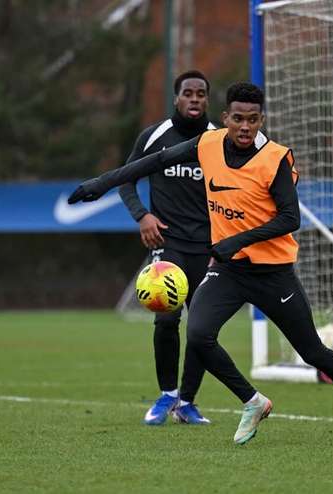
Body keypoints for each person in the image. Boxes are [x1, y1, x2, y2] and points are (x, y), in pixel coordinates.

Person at [68, 81, 333, 443]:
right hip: (228, 271)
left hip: (273, 274)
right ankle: (253, 402)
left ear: (261, 120)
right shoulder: (207, 144)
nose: (244, 127)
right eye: (238, 118)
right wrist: (101, 183)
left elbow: (290, 219)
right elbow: (157, 161)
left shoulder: (275, 159)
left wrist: (235, 241)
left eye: (252, 120)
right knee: (198, 334)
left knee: (312, 351)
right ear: (225, 118)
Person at [118, 70, 220, 426]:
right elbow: (125, 180)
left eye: (201, 94)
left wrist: (222, 241)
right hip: (168, 243)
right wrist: (143, 216)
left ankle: (188, 402)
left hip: (208, 248)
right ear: (176, 99)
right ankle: (167, 395)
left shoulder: (217, 139)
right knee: (166, 319)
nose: (195, 99)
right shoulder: (155, 136)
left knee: (203, 330)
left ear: (208, 100)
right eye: (188, 93)